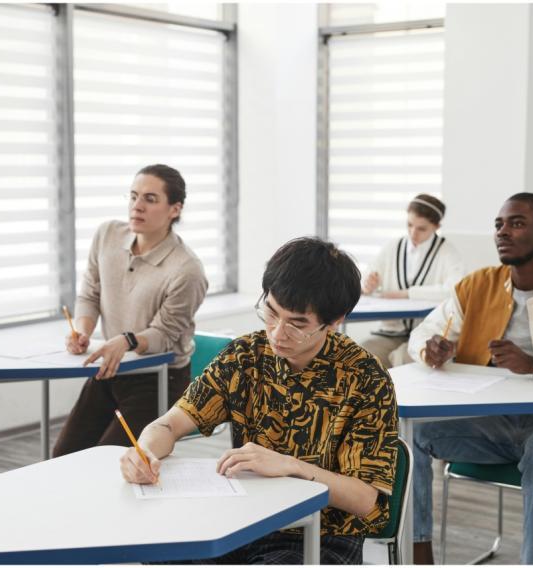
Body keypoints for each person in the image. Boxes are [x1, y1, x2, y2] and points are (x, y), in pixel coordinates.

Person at [119, 237, 399, 564]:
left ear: (334, 321)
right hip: (243, 521)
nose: (278, 333)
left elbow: (365, 499)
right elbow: (169, 424)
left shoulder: (364, 377)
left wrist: (291, 466)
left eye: (297, 325)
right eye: (271, 313)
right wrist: (145, 452)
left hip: (322, 536)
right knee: (161, 552)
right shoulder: (246, 356)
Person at [407, 193, 533, 565]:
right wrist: (431, 350)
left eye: (516, 223)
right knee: (412, 434)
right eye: (499, 225)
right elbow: (422, 334)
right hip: (493, 425)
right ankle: (418, 552)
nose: (503, 232)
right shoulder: (477, 285)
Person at [52, 164, 208, 457]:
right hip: (110, 370)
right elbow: (90, 293)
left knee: (110, 465)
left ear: (175, 209)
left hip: (159, 379)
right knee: (63, 458)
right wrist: (82, 331)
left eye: (150, 199)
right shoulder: (107, 235)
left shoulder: (187, 269)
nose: (137, 206)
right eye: (134, 196)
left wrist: (126, 340)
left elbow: (164, 335)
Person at [361, 194, 464, 368]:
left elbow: (455, 290)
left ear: (436, 226)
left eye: (421, 228)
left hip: (427, 334)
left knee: (403, 358)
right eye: (409, 225)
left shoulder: (448, 252)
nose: (413, 233)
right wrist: (367, 283)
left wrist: (407, 294)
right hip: (390, 333)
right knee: (360, 353)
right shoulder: (392, 247)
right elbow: (368, 276)